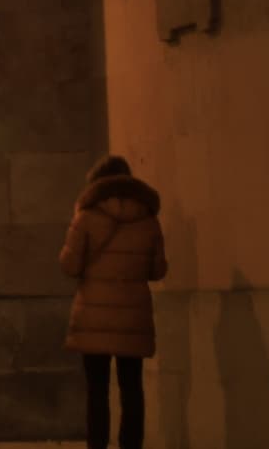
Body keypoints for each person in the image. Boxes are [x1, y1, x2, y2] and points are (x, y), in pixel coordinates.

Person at [59, 154, 167, 449]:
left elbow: (70, 265)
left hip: (93, 316)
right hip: (133, 317)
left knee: (97, 390)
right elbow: (158, 270)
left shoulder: (86, 217)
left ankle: (97, 445)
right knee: (132, 388)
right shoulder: (148, 219)